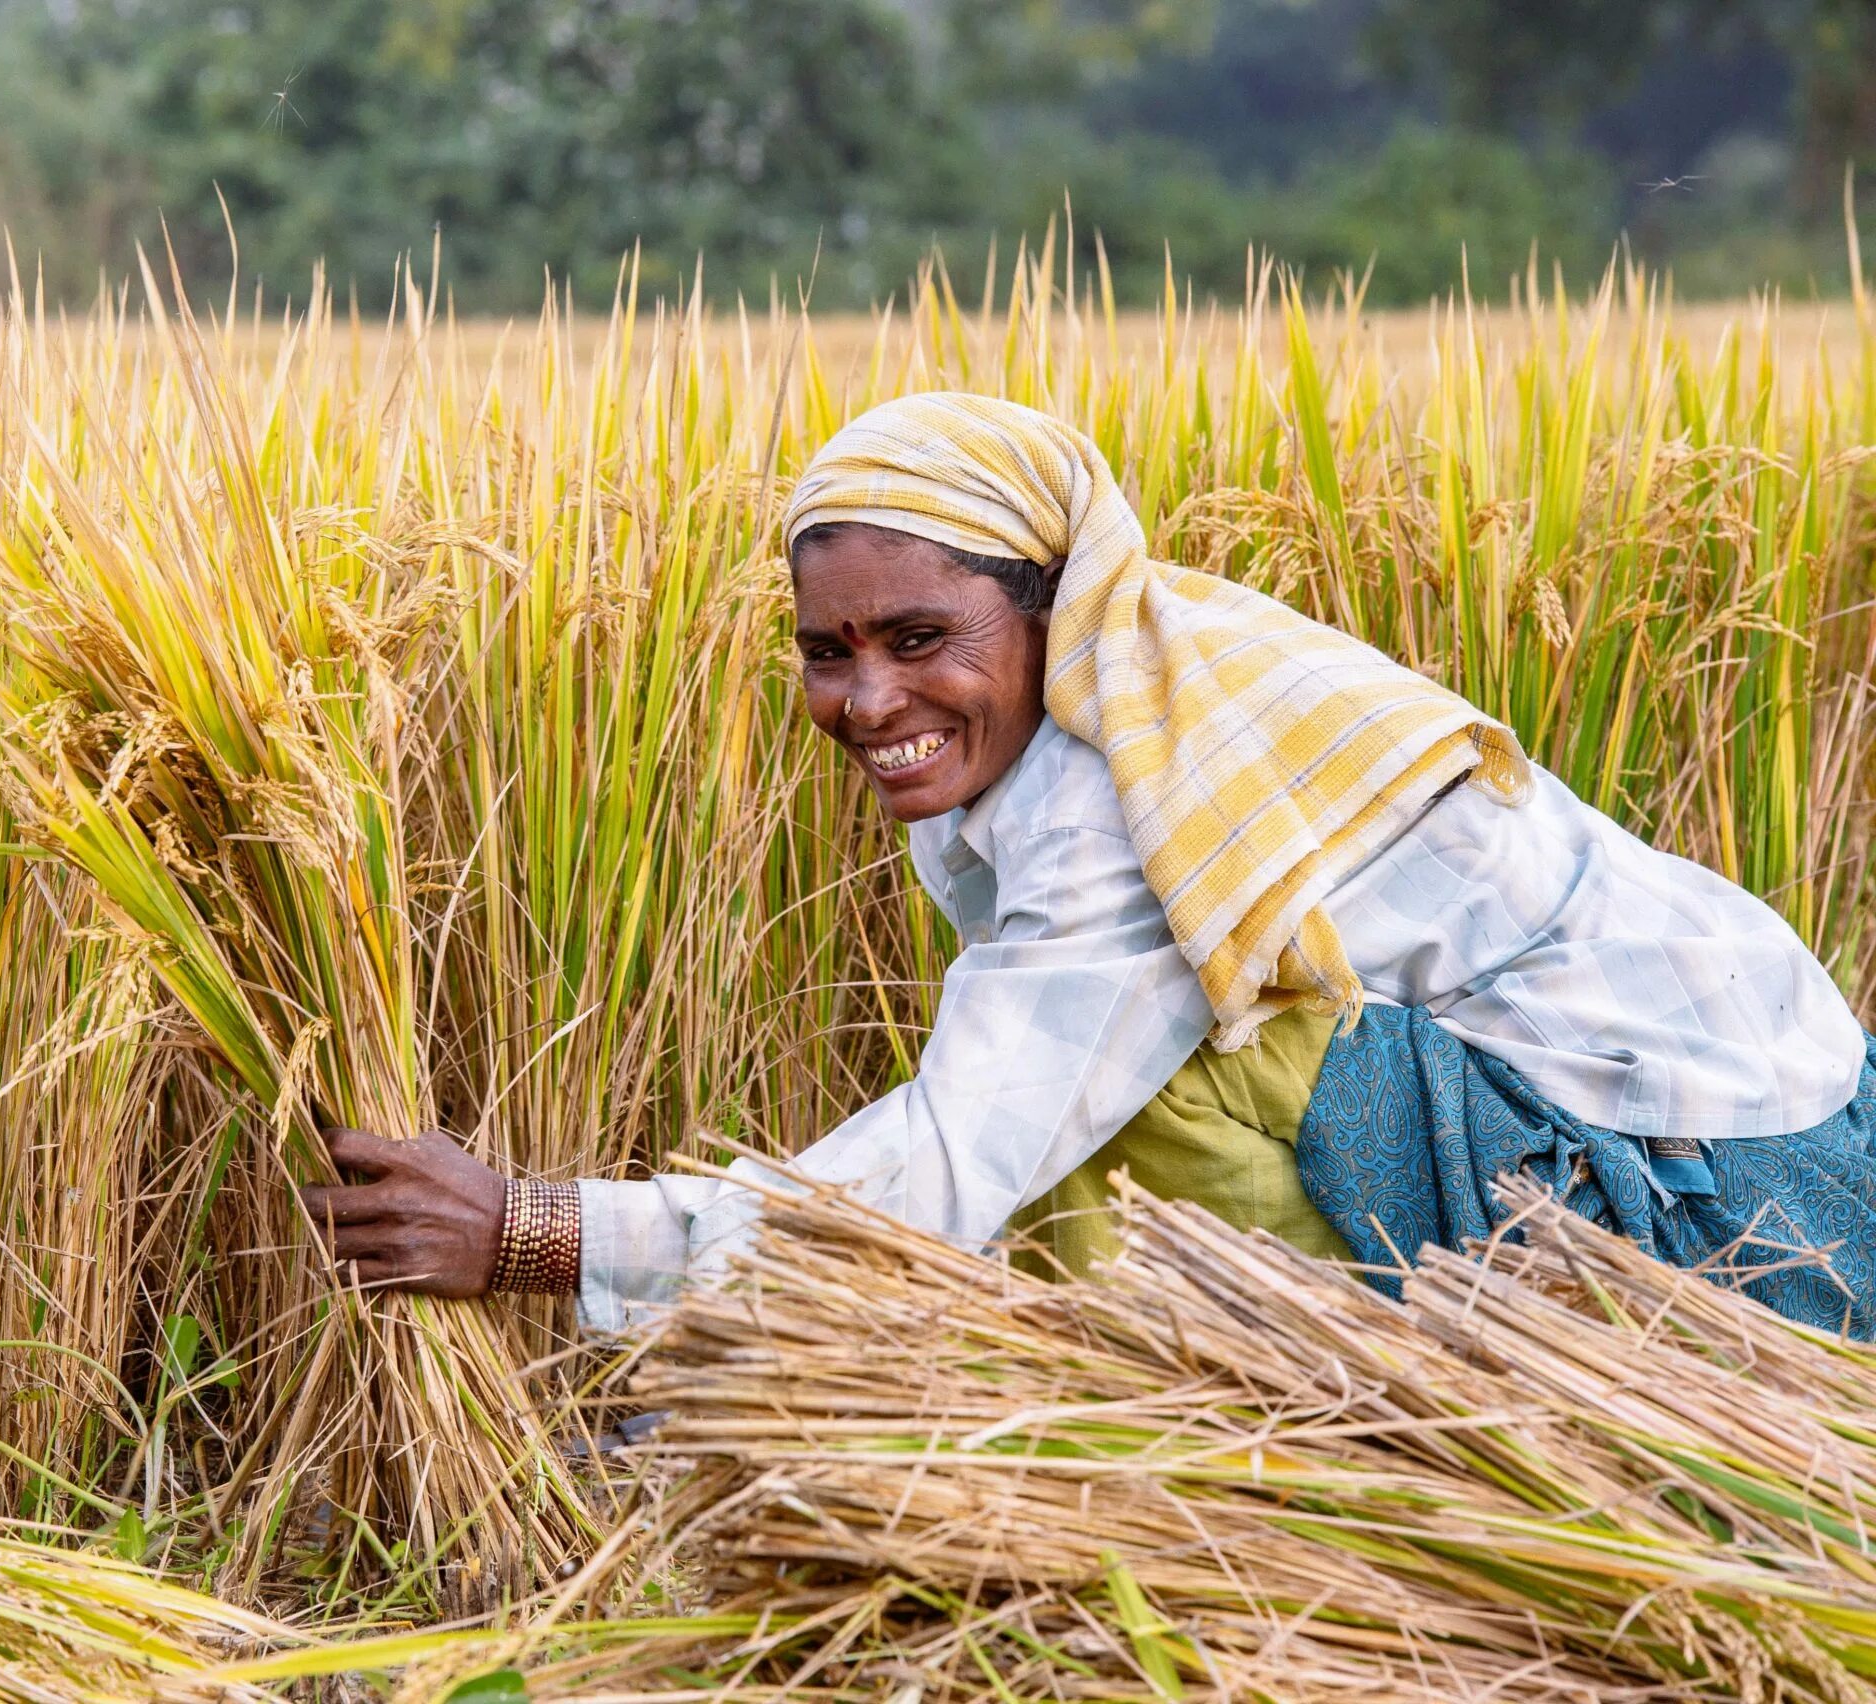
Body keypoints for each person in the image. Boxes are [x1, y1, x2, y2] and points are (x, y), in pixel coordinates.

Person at [306, 392, 1876, 1336]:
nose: (868, 702)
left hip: (1741, 1231)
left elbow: (948, 1165)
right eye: (825, 652)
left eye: (922, 640)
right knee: (1119, 1073)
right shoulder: (1143, 682)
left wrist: (539, 1228)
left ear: (1051, 606)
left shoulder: (1134, 797)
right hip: (1778, 1150)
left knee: (1154, 1090)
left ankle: (1264, 1454)